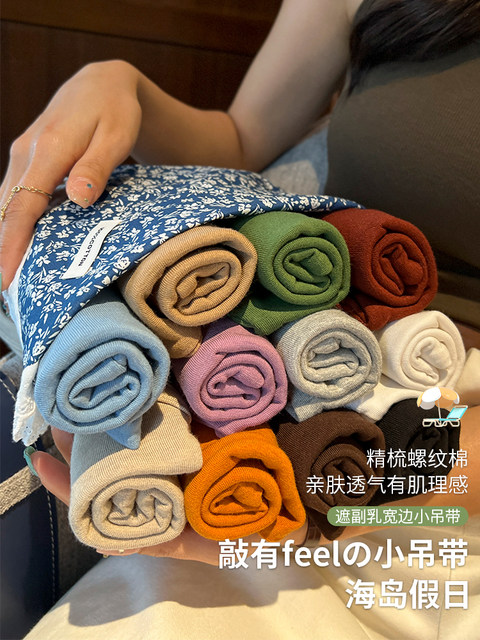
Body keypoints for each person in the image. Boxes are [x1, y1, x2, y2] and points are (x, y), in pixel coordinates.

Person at [1, 0, 480, 636]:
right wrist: (123, 83)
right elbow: (243, 138)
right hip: (340, 339)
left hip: (431, 437)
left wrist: (396, 488)